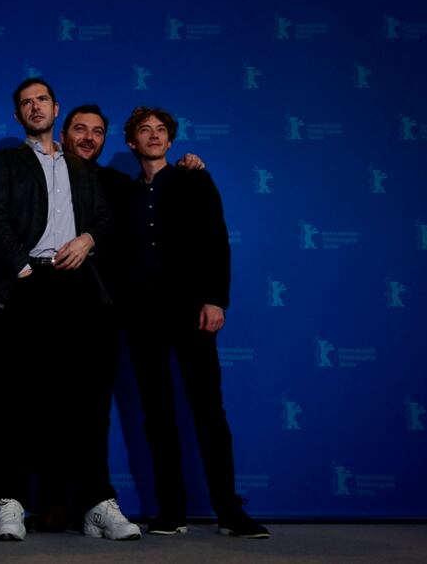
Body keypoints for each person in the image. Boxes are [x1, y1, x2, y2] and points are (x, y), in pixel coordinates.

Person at [0, 78, 140, 542]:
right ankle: (10, 503)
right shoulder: (8, 160)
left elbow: (107, 219)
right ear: (18, 116)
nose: (35, 107)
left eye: (42, 99)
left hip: (81, 293)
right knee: (20, 401)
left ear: (56, 108)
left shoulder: (82, 167)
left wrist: (89, 240)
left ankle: (96, 505)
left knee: (86, 405)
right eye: (26, 103)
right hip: (31, 285)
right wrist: (23, 270)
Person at [121, 106, 269, 539]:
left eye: (161, 130)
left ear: (170, 141)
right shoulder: (124, 193)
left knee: (208, 410)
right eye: (144, 130)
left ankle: (229, 511)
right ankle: (172, 511)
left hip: (191, 312)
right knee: (157, 414)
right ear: (132, 143)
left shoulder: (194, 179)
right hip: (143, 318)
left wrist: (215, 300)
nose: (153, 135)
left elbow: (216, 241)